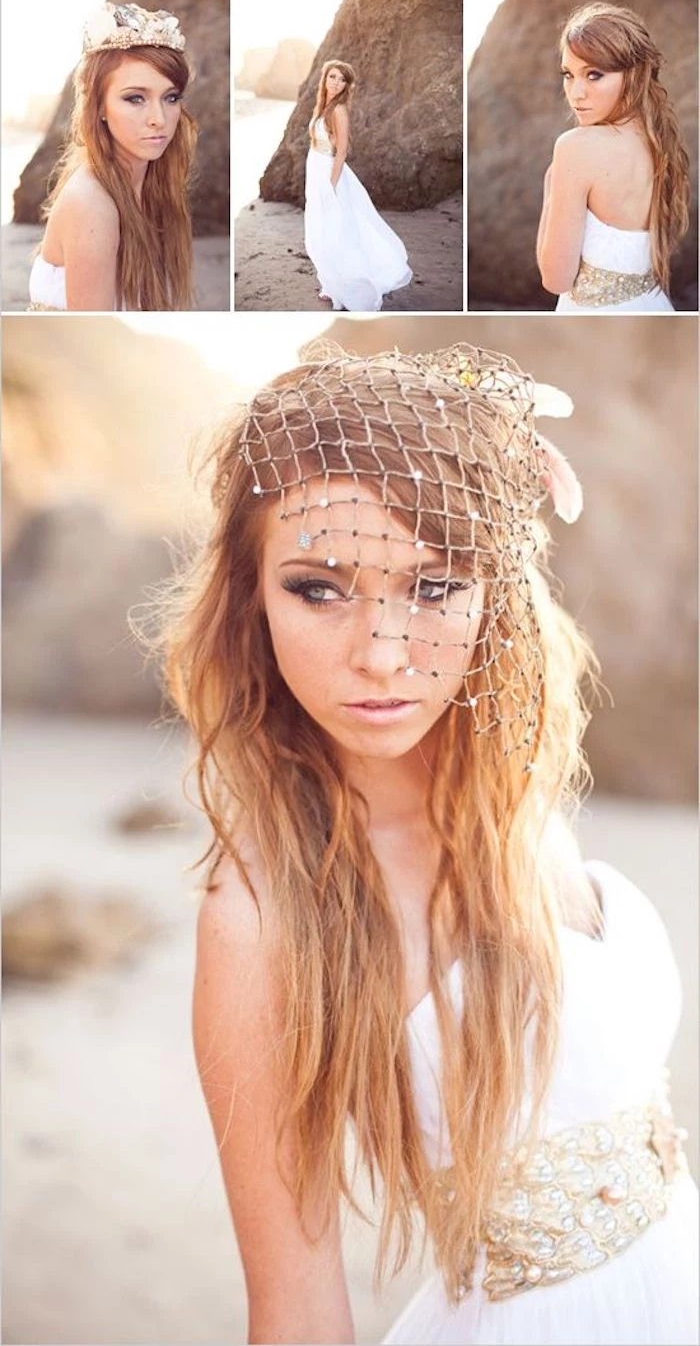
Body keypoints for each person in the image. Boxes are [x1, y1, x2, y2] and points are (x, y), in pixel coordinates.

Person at [162, 342, 698, 1345]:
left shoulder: (513, 798)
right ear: (249, 598)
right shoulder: (262, 915)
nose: (381, 653)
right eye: (318, 588)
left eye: (435, 586)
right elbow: (296, 1307)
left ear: (496, 597)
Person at [28, 2, 197, 312]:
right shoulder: (92, 206)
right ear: (100, 106)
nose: (159, 118)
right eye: (135, 98)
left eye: (171, 97)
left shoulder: (151, 189)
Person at [536, 3, 690, 313]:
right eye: (568, 75)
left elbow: (556, 279)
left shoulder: (576, 147)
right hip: (654, 308)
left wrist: (551, 186)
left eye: (594, 75)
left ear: (632, 76)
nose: (576, 93)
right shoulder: (659, 140)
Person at [304, 60, 412, 311]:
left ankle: (348, 288)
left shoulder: (338, 110)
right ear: (325, 79)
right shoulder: (322, 107)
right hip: (316, 170)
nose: (336, 83)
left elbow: (341, 151)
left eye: (342, 80)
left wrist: (330, 185)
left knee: (337, 232)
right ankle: (331, 285)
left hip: (331, 175)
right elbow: (315, 146)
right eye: (332, 77)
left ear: (346, 86)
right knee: (321, 231)